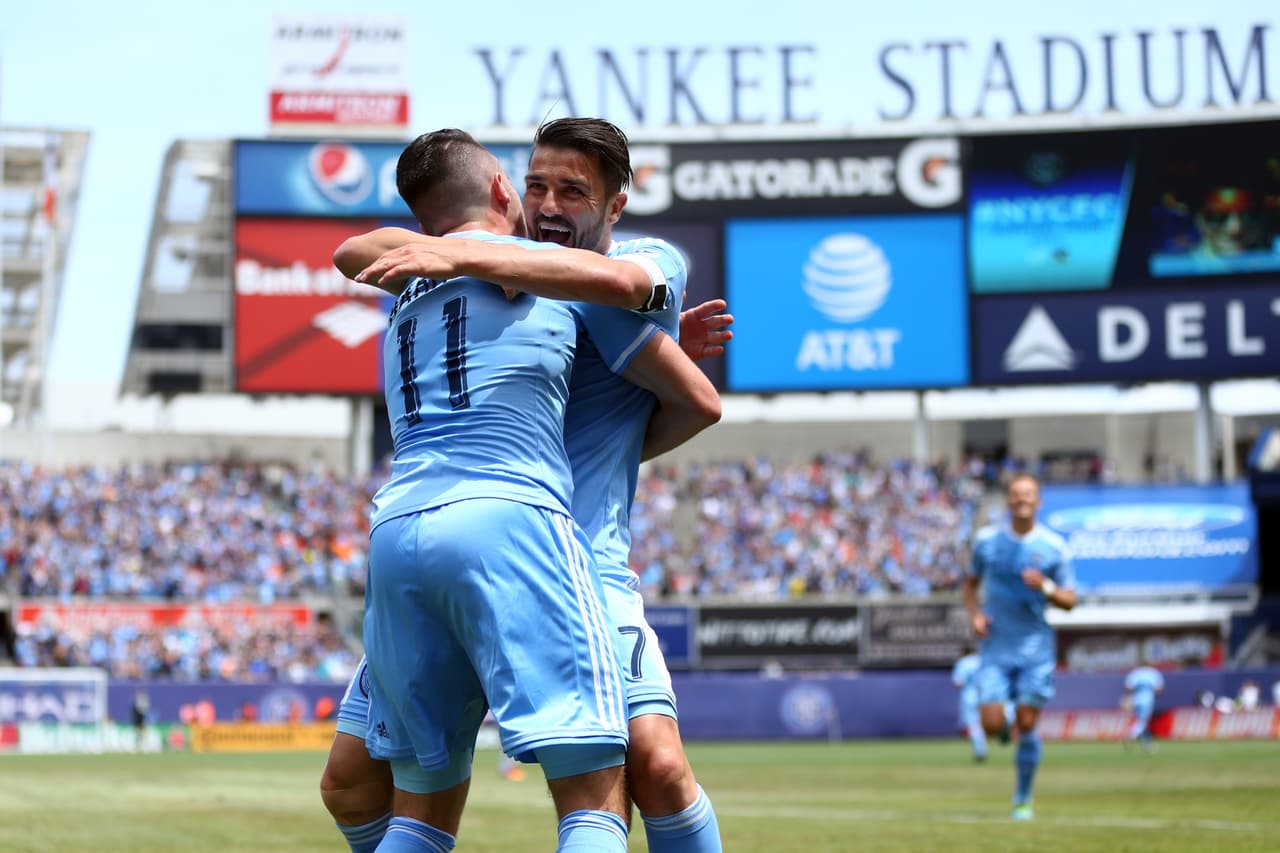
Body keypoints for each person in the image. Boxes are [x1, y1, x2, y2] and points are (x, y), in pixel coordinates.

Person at [324, 126, 725, 853]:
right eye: (537, 184)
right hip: (507, 532)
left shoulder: (613, 267)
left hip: (565, 553)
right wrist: (475, 252)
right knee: (357, 780)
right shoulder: (482, 270)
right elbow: (357, 250)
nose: (547, 204)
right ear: (509, 189)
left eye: (572, 191)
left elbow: (677, 364)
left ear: (615, 206)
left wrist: (468, 250)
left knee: (655, 769)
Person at [964, 472, 1077, 821]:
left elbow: (1070, 600)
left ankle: (1022, 798)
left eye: (1028, 494)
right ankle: (1006, 720)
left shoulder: (1054, 547)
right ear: (1008, 500)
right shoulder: (986, 542)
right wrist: (975, 614)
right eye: (1015, 494)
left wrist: (1044, 586)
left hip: (1035, 647)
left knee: (1027, 725)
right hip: (997, 644)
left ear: (1038, 501)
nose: (1022, 499)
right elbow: (969, 584)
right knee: (991, 724)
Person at [951, 646, 987, 762]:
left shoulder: (962, 663)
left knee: (973, 724)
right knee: (985, 723)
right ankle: (1006, 725)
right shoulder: (981, 660)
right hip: (984, 696)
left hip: (969, 697)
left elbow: (958, 682)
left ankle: (980, 751)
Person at [1123, 664, 1164, 752]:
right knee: (1143, 722)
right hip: (1148, 699)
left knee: (1140, 721)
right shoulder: (1153, 672)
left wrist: (1130, 696)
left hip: (1136, 698)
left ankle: (1146, 744)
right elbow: (1159, 689)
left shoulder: (1135, 672)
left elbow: (1128, 687)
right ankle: (1131, 735)